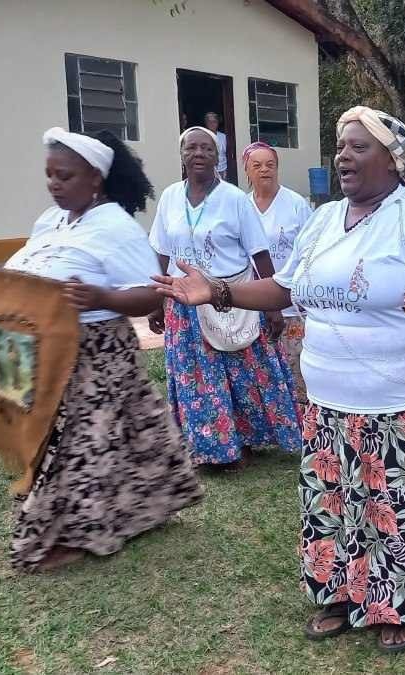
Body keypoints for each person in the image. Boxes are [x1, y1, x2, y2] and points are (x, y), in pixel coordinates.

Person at [151, 106, 405, 654]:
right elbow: (284, 288)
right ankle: (342, 591)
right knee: (337, 501)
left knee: (396, 500)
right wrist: (219, 291)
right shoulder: (325, 219)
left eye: (358, 146)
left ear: (393, 161)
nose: (343, 155)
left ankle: (402, 603)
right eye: (341, 146)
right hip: (328, 399)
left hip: (397, 399)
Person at [0, 127, 203, 572]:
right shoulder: (48, 223)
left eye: (65, 176)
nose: (54, 184)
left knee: (79, 444)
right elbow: (30, 276)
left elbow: (150, 295)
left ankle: (67, 534)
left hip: (97, 353)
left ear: (95, 179)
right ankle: (149, 505)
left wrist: (102, 298)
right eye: (50, 175)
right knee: (126, 434)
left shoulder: (116, 228)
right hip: (43, 352)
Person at [147, 126, 300, 470]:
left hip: (232, 298)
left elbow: (260, 254)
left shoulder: (234, 199)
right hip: (184, 302)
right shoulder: (170, 196)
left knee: (242, 374)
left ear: (218, 156)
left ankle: (244, 441)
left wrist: (273, 306)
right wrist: (157, 300)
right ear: (182, 154)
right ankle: (210, 446)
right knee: (197, 378)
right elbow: (160, 251)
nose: (199, 153)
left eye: (207, 148)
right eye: (192, 148)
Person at [243, 141, 314, 407]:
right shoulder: (241, 206)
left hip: (290, 302)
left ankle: (303, 420)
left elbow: (310, 250)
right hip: (250, 302)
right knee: (259, 367)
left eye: (270, 165)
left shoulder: (296, 204)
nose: (265, 170)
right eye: (257, 165)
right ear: (247, 170)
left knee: (296, 365)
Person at [205, 112, 228, 181]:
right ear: (206, 123)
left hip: (223, 170)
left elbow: (228, 154)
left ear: (218, 123)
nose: (212, 124)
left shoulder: (223, 137)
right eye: (209, 122)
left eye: (214, 121)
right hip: (208, 171)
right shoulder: (203, 137)